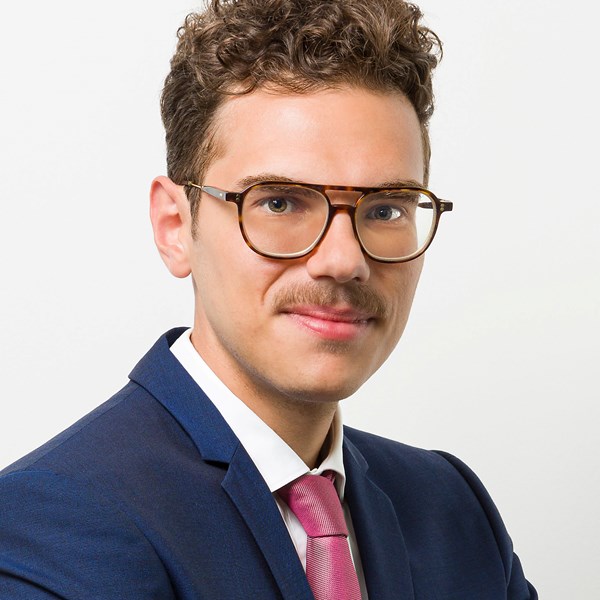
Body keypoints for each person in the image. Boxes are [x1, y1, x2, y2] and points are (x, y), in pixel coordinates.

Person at [0, 0, 537, 598]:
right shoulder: (48, 528)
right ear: (176, 227)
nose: (344, 260)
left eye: (386, 209)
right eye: (279, 202)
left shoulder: (451, 507)